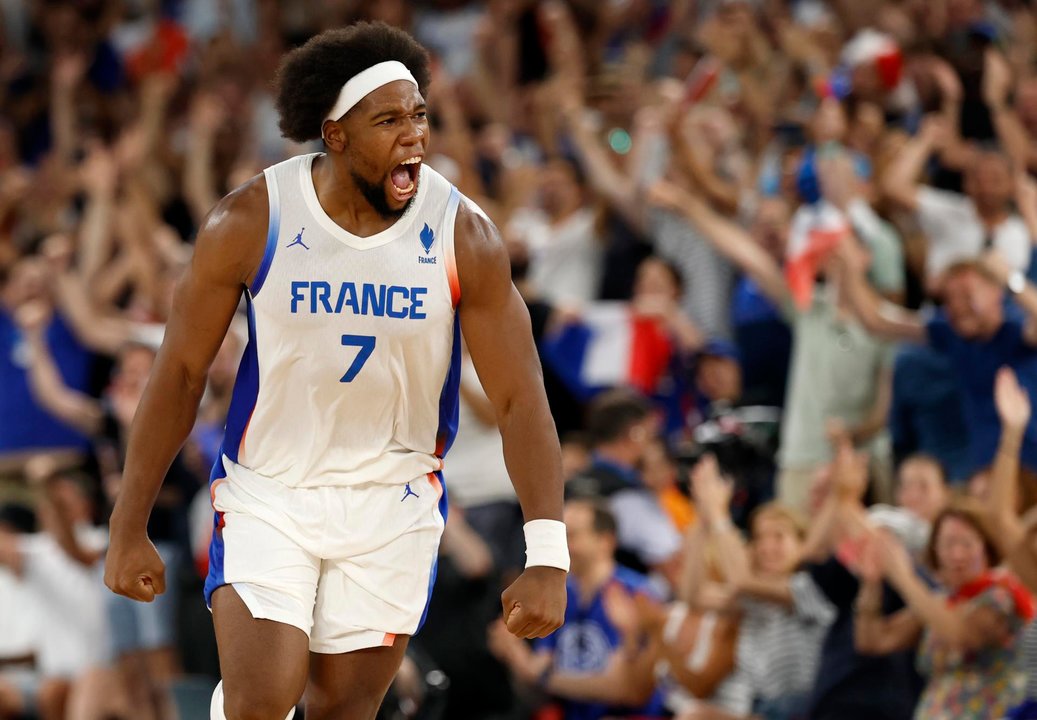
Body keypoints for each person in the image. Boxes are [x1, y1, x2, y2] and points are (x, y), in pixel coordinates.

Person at [102, 22, 568, 720]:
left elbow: (519, 399)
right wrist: (127, 522)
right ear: (336, 134)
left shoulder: (462, 234)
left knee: (340, 713)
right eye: (388, 120)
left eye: (418, 115)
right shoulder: (251, 219)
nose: (413, 135)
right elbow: (179, 375)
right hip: (272, 490)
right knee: (263, 701)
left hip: (392, 500)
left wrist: (547, 554)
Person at [855, 502, 1034, 719]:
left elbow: (960, 635)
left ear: (986, 547)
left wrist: (903, 576)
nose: (957, 555)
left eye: (966, 544)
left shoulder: (1001, 596)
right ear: (935, 551)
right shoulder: (941, 603)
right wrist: (871, 582)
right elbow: (874, 640)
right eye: (948, 544)